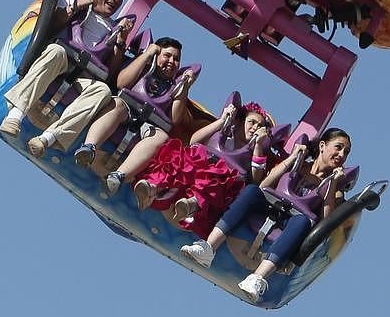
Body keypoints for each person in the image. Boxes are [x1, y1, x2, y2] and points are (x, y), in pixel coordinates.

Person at [181, 127, 353, 302]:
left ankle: (257, 278)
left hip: (292, 220)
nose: (341, 154)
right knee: (252, 191)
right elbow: (265, 185)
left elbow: (325, 220)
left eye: (346, 152)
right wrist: (293, 159)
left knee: (302, 221)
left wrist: (332, 184)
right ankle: (208, 247)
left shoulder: (334, 189)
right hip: (270, 204)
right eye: (338, 147)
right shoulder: (298, 164)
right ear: (323, 146)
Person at [0, 0, 131, 157]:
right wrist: (77, 5)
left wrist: (120, 41)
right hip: (58, 58)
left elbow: (110, 72)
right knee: (57, 52)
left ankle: (48, 138)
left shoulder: (113, 28)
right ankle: (15, 115)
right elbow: (49, 25)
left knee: (103, 90)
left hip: (82, 74)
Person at [113, 101, 275, 236]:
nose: (254, 128)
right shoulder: (224, 135)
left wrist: (259, 146)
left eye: (259, 126)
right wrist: (221, 121)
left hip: (216, 189)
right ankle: (153, 187)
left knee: (218, 176)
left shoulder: (254, 152)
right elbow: (194, 141)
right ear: (240, 122)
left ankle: (191, 205)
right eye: (251, 122)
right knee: (184, 156)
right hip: (192, 175)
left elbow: (255, 180)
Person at [71, 36, 196, 168]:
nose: (171, 61)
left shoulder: (173, 88)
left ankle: (120, 174)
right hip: (125, 110)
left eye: (176, 59)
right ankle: (89, 147)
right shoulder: (141, 67)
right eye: (167, 56)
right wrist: (147, 54)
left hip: (147, 125)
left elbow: (175, 119)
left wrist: (185, 85)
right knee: (118, 104)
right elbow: (121, 83)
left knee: (161, 137)